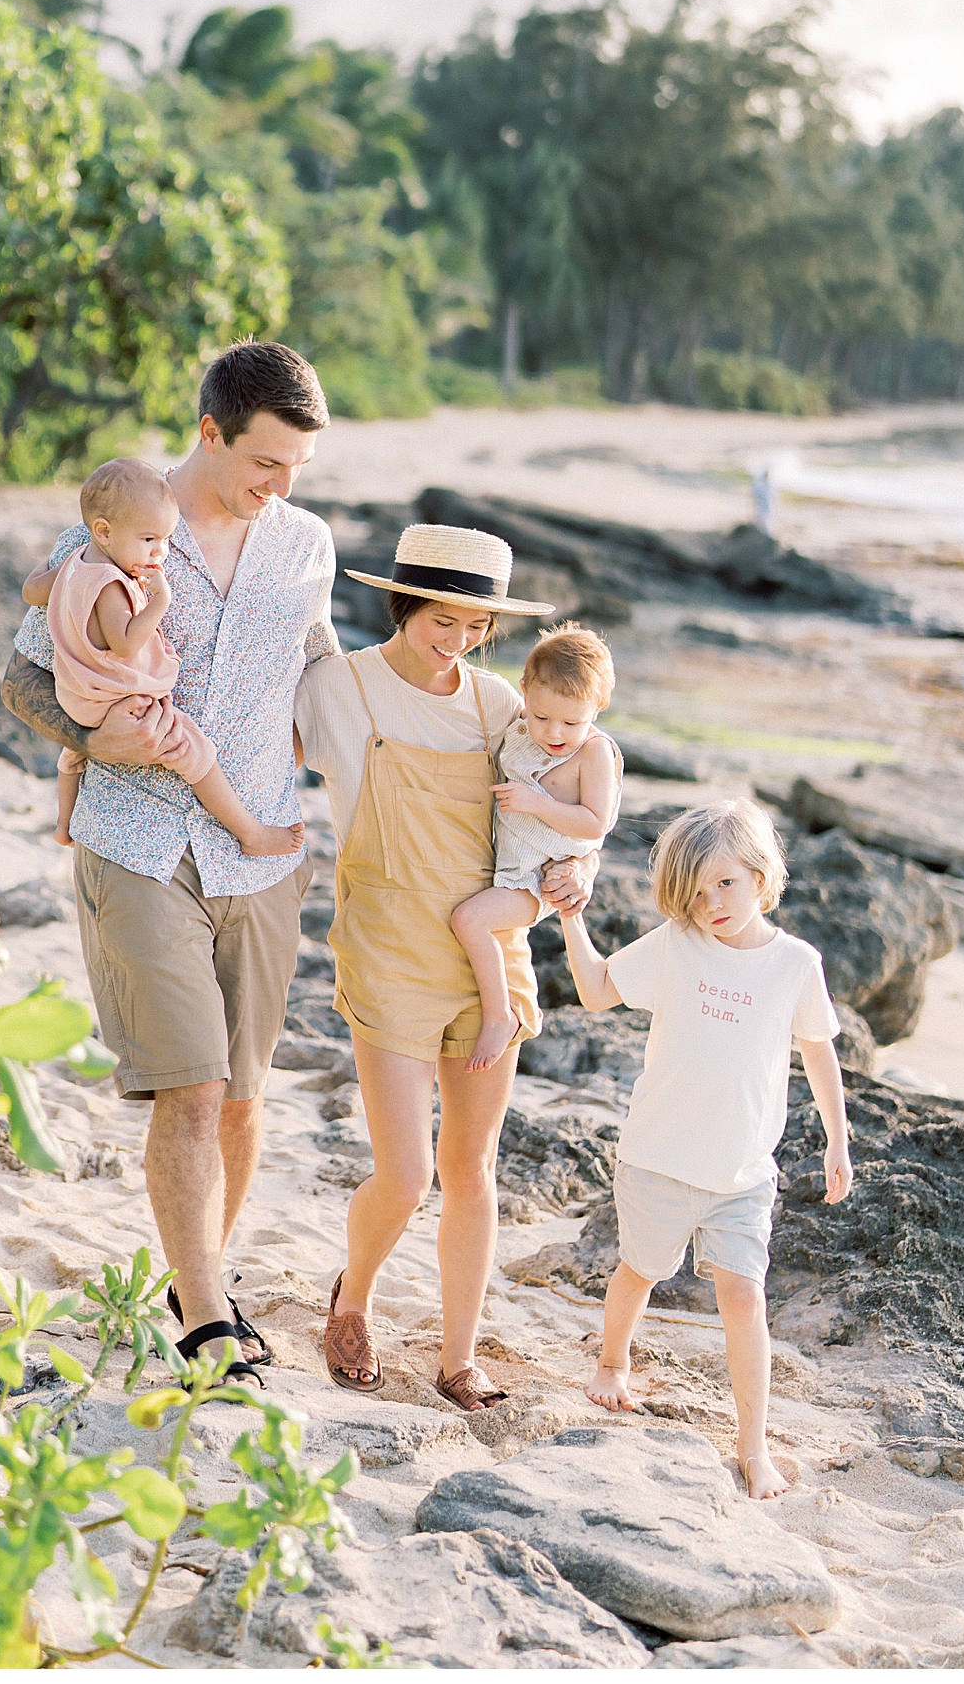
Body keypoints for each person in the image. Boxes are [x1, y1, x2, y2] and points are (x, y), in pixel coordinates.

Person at [0, 339, 336, 1387]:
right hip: (139, 839)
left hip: (261, 853)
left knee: (241, 1097)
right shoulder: (112, 534)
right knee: (190, 1087)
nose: (277, 488)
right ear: (209, 431)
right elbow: (21, 678)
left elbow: (317, 665)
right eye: (263, 464)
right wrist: (88, 740)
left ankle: (206, 1280)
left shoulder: (306, 543)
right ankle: (200, 1317)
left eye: (295, 470)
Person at [294, 525, 599, 1412]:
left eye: (476, 625)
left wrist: (574, 874)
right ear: (404, 602)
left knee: (472, 1170)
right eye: (443, 618)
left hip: (489, 955)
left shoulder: (503, 704)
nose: (459, 640)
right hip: (386, 946)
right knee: (404, 1175)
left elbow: (570, 808)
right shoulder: (338, 687)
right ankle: (352, 1302)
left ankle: (458, 1356)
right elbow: (252, 746)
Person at [558, 798, 853, 1499]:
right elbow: (598, 990)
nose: (711, 901)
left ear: (760, 874)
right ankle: (611, 1361)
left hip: (743, 1173)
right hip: (658, 1157)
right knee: (639, 1269)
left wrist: (839, 1138)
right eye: (696, 890)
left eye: (725, 882)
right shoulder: (675, 944)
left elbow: (819, 1052)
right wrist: (572, 916)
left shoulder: (794, 964)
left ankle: (753, 1447)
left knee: (744, 1299)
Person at [22, 456, 304, 861]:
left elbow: (32, 591)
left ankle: (65, 823)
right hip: (120, 699)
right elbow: (124, 643)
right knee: (193, 751)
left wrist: (58, 564)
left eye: (167, 540)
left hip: (80, 698)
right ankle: (249, 831)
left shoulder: (76, 561)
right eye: (149, 539)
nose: (161, 553)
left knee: (74, 755)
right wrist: (160, 602)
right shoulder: (110, 584)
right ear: (104, 531)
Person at [451, 624, 623, 1073]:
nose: (555, 732)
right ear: (524, 692)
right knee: (469, 921)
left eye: (572, 722)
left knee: (469, 920)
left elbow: (595, 823)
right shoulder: (521, 728)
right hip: (508, 861)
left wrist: (535, 802)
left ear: (598, 708)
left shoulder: (594, 754)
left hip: (538, 878)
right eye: (543, 716)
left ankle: (500, 1015)